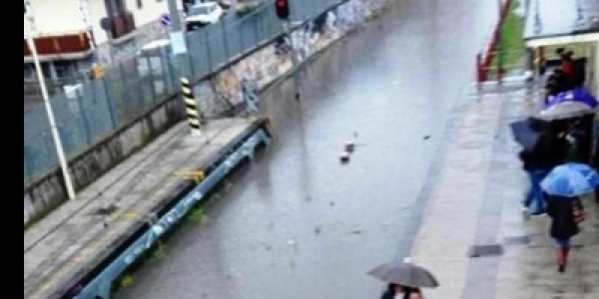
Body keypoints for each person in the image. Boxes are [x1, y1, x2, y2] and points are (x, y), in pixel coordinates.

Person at [519, 128, 569, 215]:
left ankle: (540, 207)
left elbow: (524, 155)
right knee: (537, 186)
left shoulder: (532, 142)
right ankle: (526, 203)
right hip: (547, 167)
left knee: (536, 187)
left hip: (534, 167)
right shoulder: (552, 141)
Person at [545, 192, 584, 273]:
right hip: (569, 223)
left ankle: (560, 261)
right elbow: (580, 207)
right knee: (566, 242)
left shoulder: (553, 196)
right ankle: (565, 259)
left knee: (558, 243)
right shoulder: (573, 195)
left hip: (557, 223)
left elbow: (549, 211)